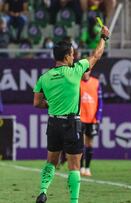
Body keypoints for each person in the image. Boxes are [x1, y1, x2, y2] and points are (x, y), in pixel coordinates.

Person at [33, 25, 110, 203]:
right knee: (74, 166)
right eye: (73, 54)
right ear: (67, 56)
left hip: (53, 123)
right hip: (71, 123)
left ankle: (43, 190)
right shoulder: (75, 71)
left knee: (51, 161)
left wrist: (53, 104)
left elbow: (37, 103)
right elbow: (96, 55)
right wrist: (104, 38)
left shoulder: (44, 77)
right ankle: (74, 201)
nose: (74, 57)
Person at [79, 72, 103, 177]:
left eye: (87, 71)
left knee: (90, 143)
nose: (85, 74)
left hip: (92, 118)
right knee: (80, 143)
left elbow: (100, 101)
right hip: (80, 118)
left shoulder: (96, 83)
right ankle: (81, 167)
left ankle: (87, 167)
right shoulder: (77, 82)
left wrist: (98, 116)